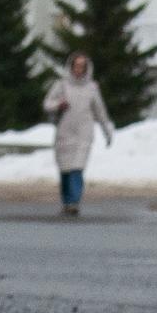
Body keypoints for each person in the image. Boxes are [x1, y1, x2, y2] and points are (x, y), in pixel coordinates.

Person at [43, 46, 112, 217]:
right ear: (71, 67)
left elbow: (100, 111)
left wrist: (107, 130)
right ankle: (66, 202)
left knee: (77, 168)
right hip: (64, 133)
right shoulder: (61, 85)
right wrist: (59, 105)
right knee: (66, 170)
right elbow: (47, 104)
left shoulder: (92, 88)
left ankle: (74, 202)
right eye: (76, 66)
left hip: (84, 133)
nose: (79, 69)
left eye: (83, 66)